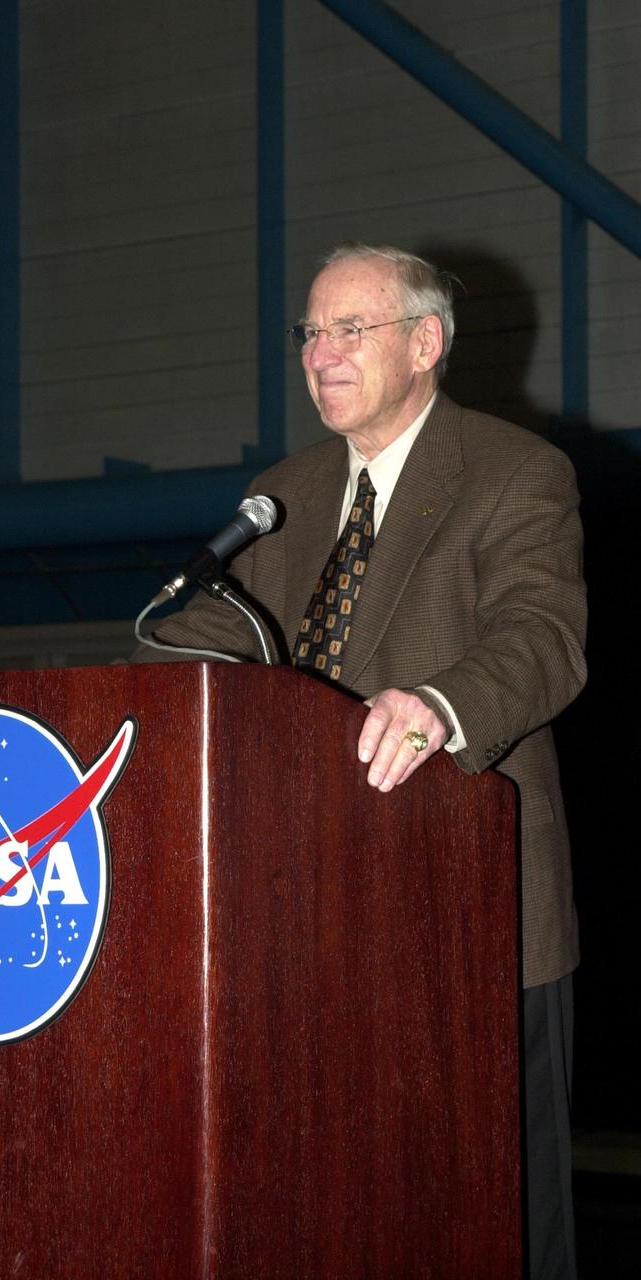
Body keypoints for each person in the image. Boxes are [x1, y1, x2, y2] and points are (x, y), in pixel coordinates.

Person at [136, 243, 586, 1278]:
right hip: (312, 920)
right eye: (309, 332)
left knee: (509, 1222)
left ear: (424, 343)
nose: (319, 354)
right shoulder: (281, 492)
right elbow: (207, 628)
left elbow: (540, 637)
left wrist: (438, 703)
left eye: (349, 329)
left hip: (474, 912)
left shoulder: (516, 469)